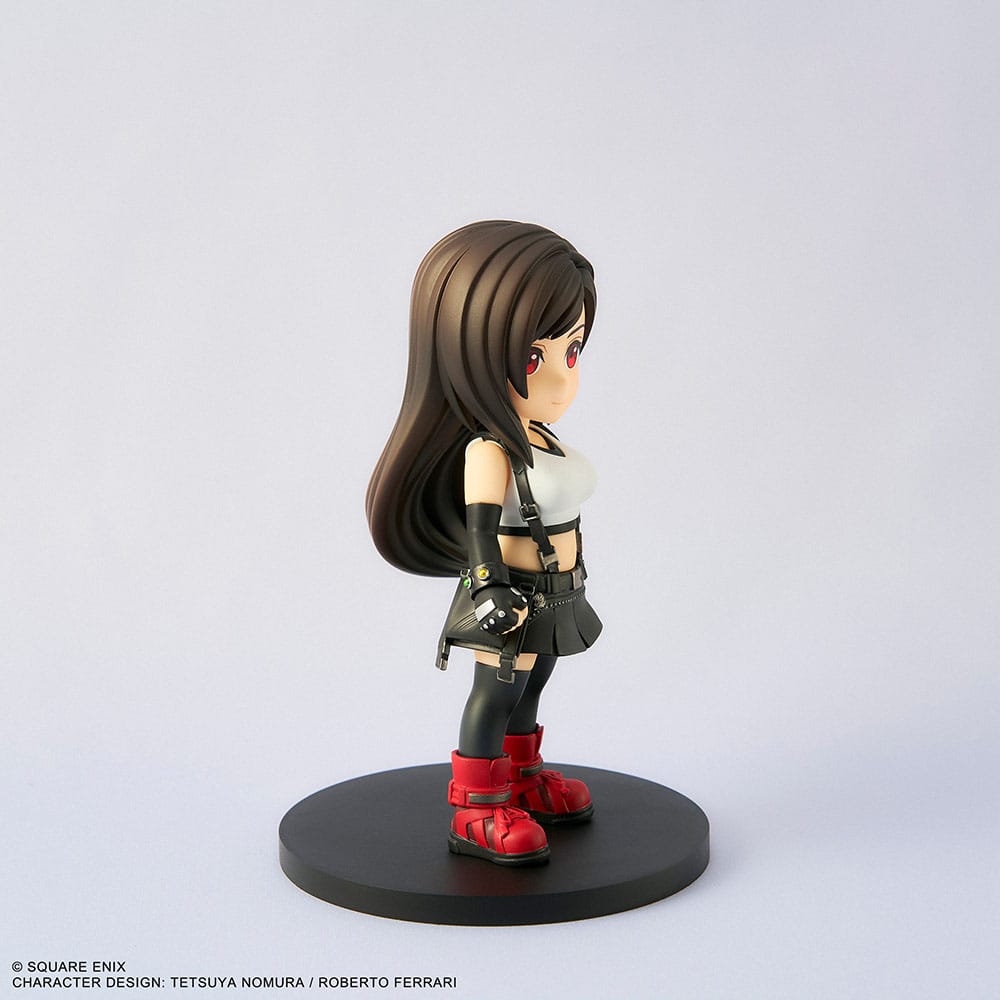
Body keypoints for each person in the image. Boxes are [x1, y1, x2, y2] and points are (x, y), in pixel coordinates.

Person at [366, 220, 602, 866]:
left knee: (536, 680)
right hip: (513, 595)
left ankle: (520, 778)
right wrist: (490, 585)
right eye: (533, 359)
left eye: (571, 352)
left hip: (557, 592)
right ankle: (475, 807)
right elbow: (480, 531)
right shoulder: (490, 449)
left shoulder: (541, 436)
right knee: (497, 690)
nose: (561, 380)